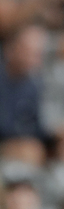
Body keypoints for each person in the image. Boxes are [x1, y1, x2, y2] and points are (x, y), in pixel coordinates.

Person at [0, 23, 48, 166]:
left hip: (23, 148)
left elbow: (36, 126)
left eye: (38, 53)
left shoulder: (33, 86)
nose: (33, 59)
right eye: (29, 51)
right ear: (10, 48)